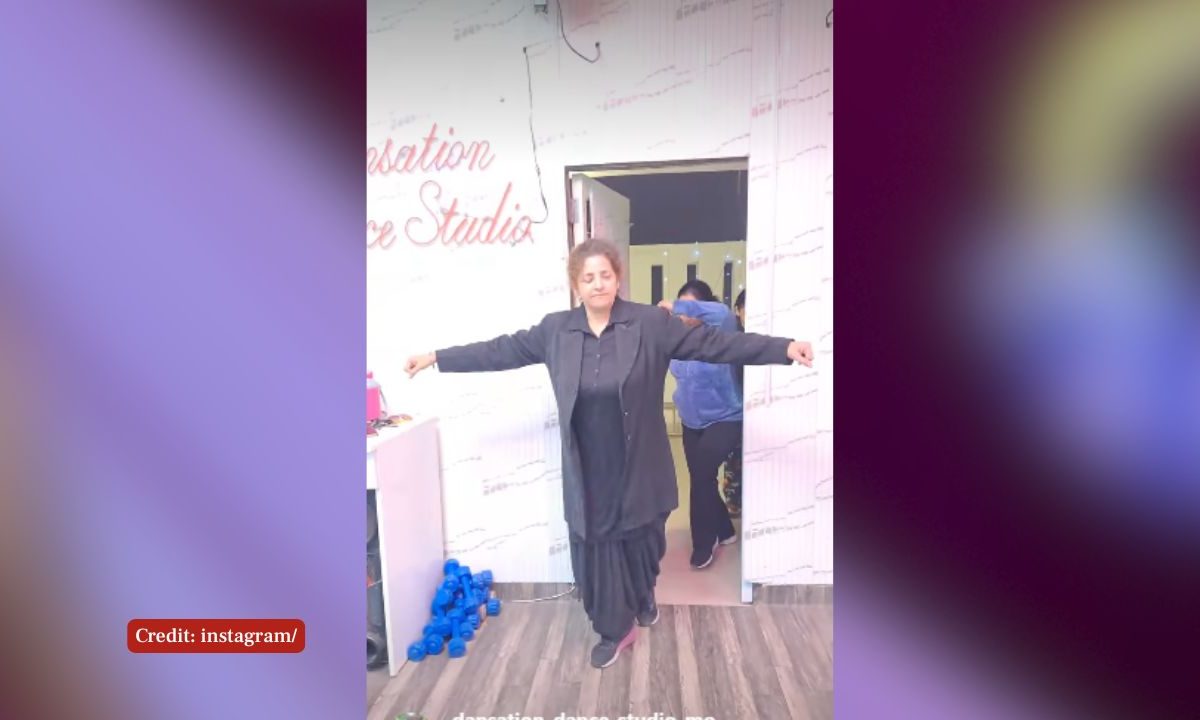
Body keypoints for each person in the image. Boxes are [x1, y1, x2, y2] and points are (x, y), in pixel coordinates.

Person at [404, 239, 813, 669]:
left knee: (644, 543)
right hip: (589, 468)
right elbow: (500, 350)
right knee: (598, 551)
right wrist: (436, 357)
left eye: (605, 275)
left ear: (618, 279)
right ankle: (614, 628)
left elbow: (716, 344)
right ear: (576, 285)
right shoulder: (556, 331)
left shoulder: (650, 323)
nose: (597, 284)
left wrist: (783, 348)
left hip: (640, 463)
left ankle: (643, 594)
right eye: (588, 277)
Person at [661, 281, 744, 568]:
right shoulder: (676, 338)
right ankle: (725, 530)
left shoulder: (722, 329)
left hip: (725, 417)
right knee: (702, 476)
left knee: (701, 476)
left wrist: (678, 305)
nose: (684, 315)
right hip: (691, 421)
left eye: (691, 307)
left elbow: (723, 312)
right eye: (681, 307)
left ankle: (703, 543)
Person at [723, 289, 747, 517]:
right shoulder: (731, 337)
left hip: (759, 409)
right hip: (734, 409)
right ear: (738, 311)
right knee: (733, 457)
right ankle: (733, 502)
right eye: (745, 309)